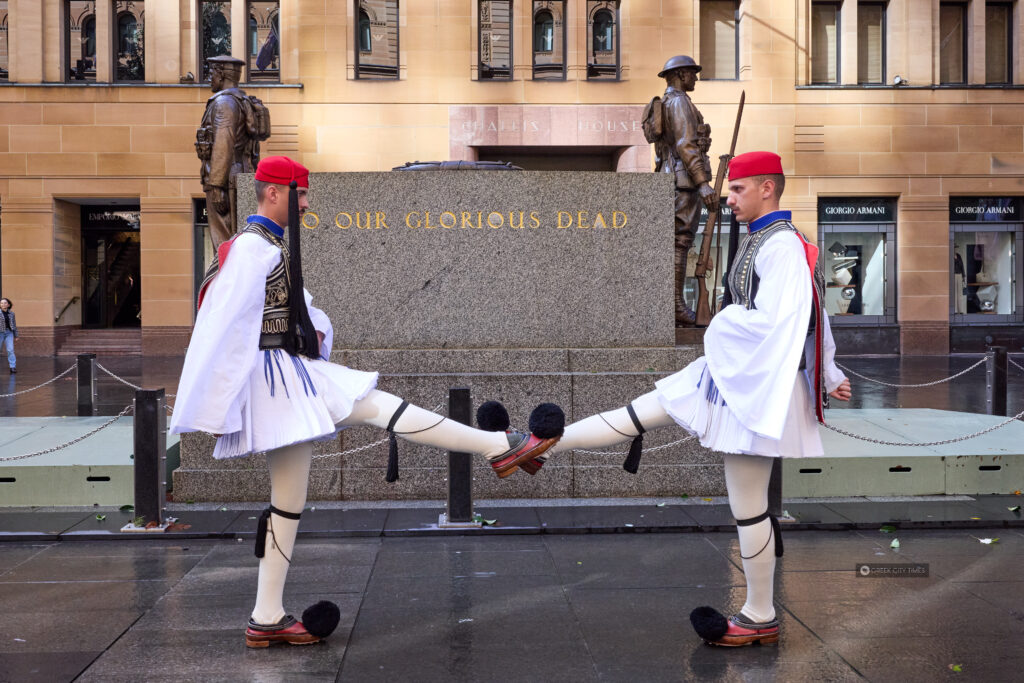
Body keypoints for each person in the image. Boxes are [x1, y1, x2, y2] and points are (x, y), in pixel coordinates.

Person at [169, 156, 560, 648]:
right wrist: (215, 399)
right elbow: (220, 323)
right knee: (375, 405)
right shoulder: (252, 248)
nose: (307, 203)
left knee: (287, 504)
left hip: (283, 374)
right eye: (301, 193)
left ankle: (265, 617)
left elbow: (295, 311)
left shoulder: (265, 245)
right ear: (274, 192)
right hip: (277, 380)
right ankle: (496, 446)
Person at [517, 151, 852, 647]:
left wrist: (726, 327)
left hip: (752, 384)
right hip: (740, 372)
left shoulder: (780, 245)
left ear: (766, 187)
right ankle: (539, 444)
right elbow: (812, 317)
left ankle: (760, 616)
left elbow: (786, 320)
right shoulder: (774, 240)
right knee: (647, 408)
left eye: (738, 190)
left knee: (750, 507)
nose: (729, 198)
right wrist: (826, 371)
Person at [649, 55, 717, 326]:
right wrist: (702, 183)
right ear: (679, 74)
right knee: (680, 241)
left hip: (674, 178)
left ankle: (675, 305)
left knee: (678, 241)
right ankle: (675, 305)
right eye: (692, 73)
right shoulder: (679, 102)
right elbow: (685, 145)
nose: (696, 78)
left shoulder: (670, 102)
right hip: (683, 181)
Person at [0, 298, 16, 373]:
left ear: (8, 304)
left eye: (5, 303)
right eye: (2, 303)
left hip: (9, 333)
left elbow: (14, 325)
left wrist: (16, 335)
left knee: (10, 350)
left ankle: (12, 367)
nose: (3, 304)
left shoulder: (12, 313)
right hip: (0, 333)